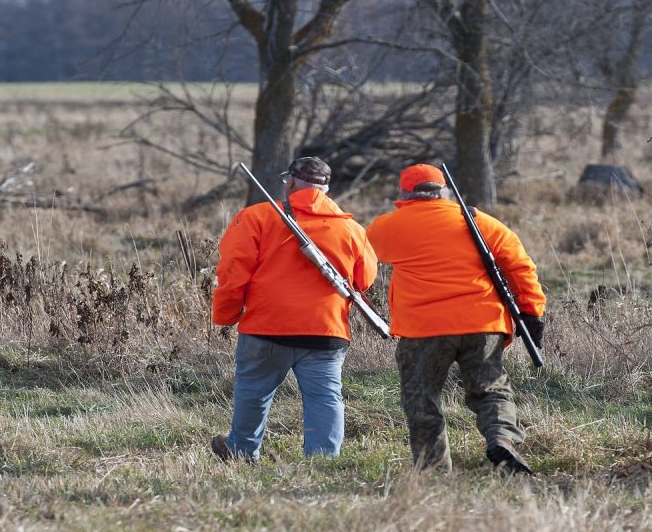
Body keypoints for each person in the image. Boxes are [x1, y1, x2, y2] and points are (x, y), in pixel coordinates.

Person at [365, 164, 546, 474]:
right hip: (482, 324)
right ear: (445, 191)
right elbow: (520, 266)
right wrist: (532, 312)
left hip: (424, 329)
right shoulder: (481, 222)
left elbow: (366, 256)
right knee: (491, 390)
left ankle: (434, 471)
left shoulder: (387, 227)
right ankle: (502, 438)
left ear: (403, 193)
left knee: (422, 398)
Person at [210, 156, 379, 462]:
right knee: (325, 398)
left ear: (289, 182)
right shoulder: (352, 228)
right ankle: (323, 461)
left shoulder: (257, 216)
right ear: (326, 189)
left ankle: (241, 451)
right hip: (326, 331)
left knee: (254, 393)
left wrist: (226, 314)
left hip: (266, 328)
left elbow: (233, 272)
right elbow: (364, 279)